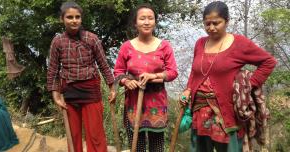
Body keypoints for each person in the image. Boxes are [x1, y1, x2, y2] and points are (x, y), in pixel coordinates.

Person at [180, 1, 277, 152]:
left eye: (216, 23)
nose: (211, 28)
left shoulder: (239, 43)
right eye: (207, 23)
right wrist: (188, 89)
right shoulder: (200, 43)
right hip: (200, 113)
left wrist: (248, 85)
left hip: (226, 114)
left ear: (227, 21)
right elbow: (195, 71)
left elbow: (268, 62)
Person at [46, 1, 116, 152]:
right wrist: (55, 94)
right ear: (62, 19)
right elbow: (53, 69)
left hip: (90, 89)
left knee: (95, 134)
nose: (74, 20)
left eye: (77, 17)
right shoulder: (58, 41)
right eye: (69, 17)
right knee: (74, 134)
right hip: (69, 90)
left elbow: (103, 64)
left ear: (81, 19)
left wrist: (112, 87)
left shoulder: (92, 38)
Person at [114, 3, 178, 152]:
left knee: (157, 147)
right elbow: (118, 72)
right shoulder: (126, 47)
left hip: (157, 106)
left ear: (155, 21)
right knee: (137, 147)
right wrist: (126, 81)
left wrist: (154, 76)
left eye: (151, 18)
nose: (147, 22)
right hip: (134, 105)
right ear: (135, 23)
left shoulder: (164, 46)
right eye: (142, 18)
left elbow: (172, 72)